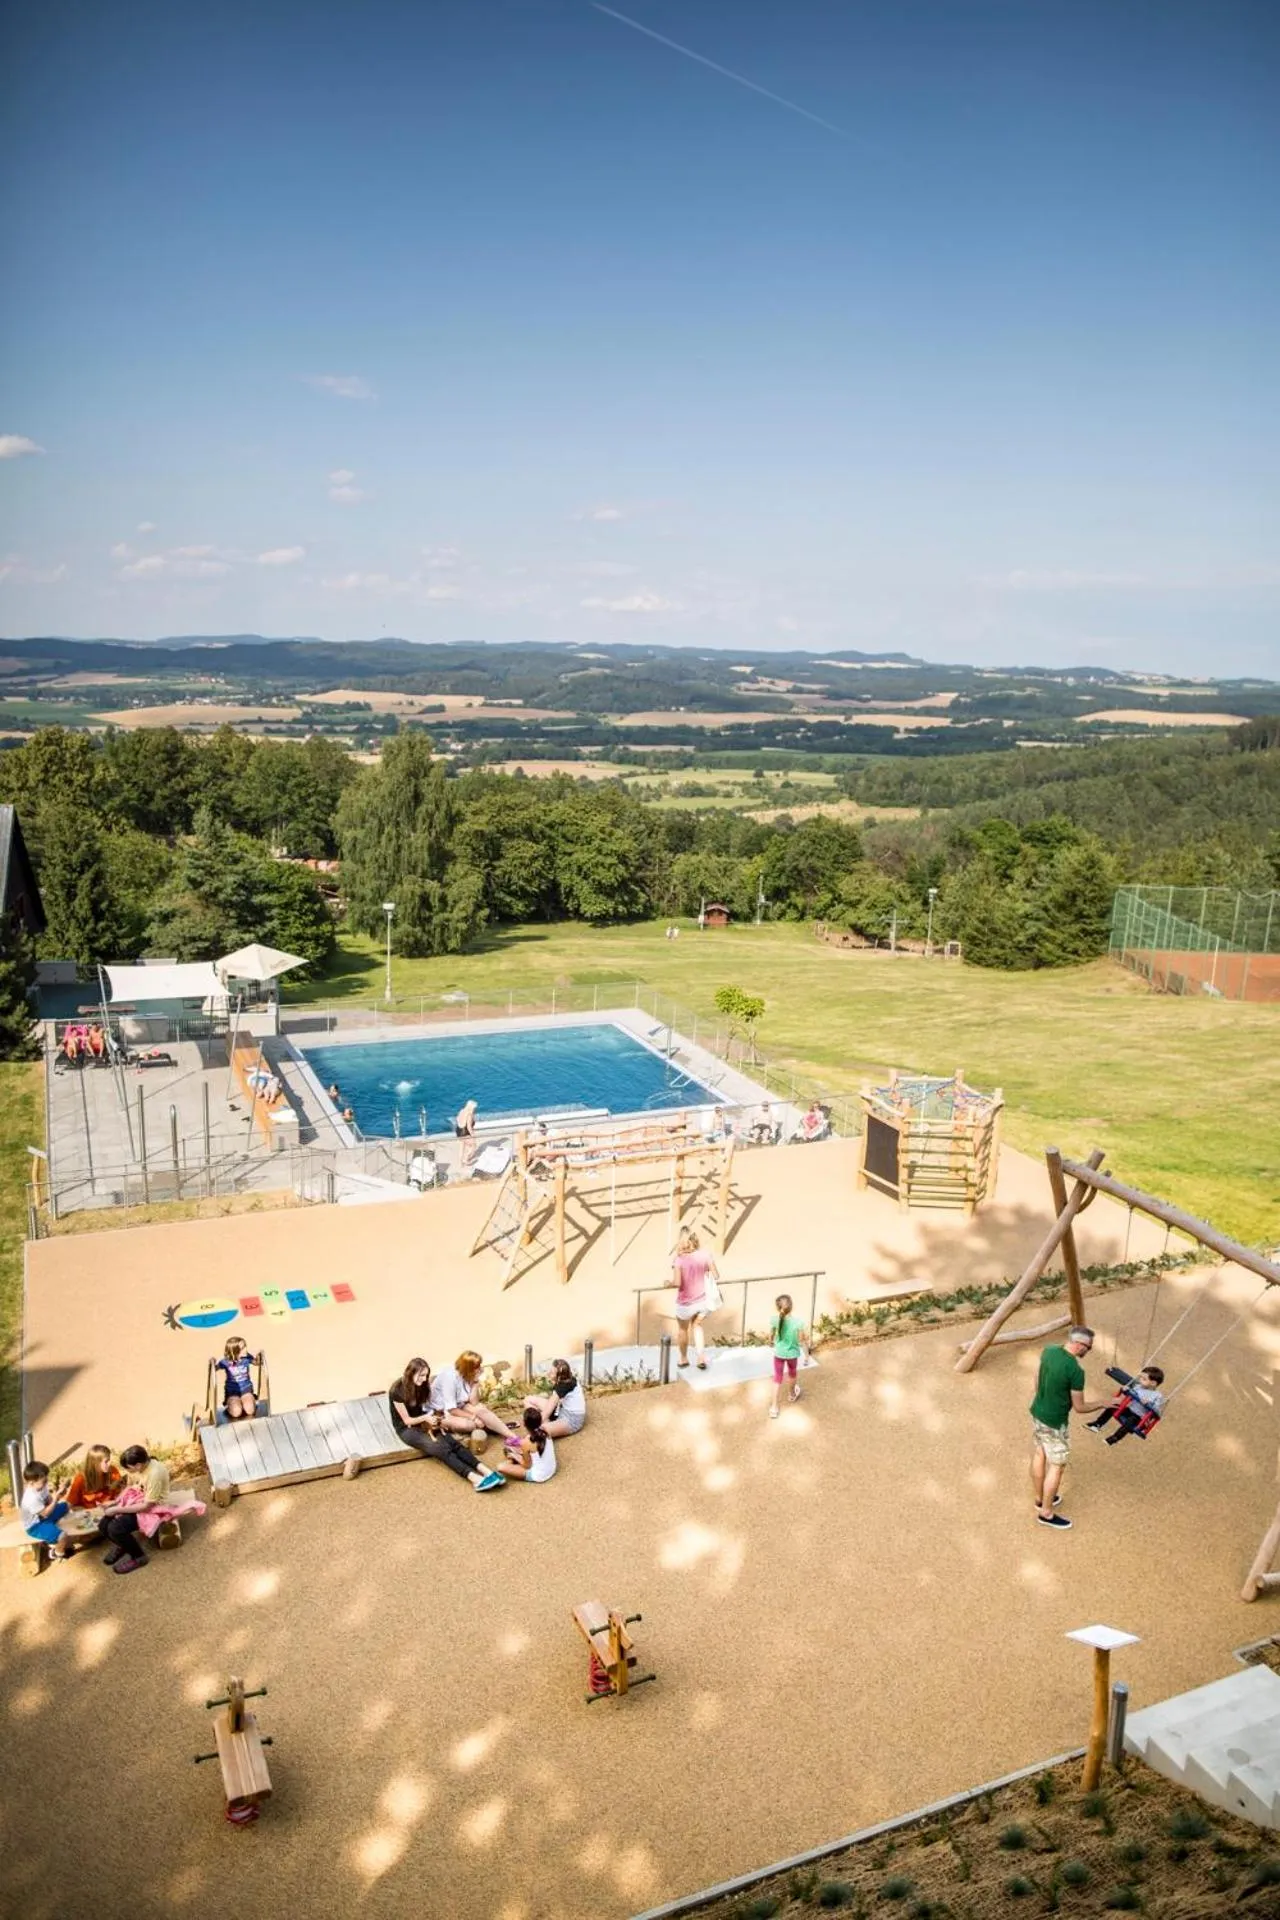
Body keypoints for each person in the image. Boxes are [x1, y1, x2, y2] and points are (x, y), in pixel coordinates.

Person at [1029, 1327, 1108, 1530]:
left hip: (1038, 1412)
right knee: (1057, 1466)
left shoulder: (1049, 1350)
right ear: (1080, 1344)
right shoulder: (1075, 1371)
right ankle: (1046, 1513)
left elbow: (1037, 1377)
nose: (1087, 1352)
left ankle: (1039, 1498)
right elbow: (1080, 1407)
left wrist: (1041, 1397)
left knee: (1040, 1453)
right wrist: (1104, 1402)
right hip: (1056, 1422)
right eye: (1088, 1348)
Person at [388, 1359, 504, 1492]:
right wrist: (426, 1418)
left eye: (426, 1375)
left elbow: (426, 1409)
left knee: (451, 1442)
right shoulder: (396, 1391)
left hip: (422, 1420)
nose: (424, 1379)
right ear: (410, 1373)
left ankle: (486, 1471)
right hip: (405, 1428)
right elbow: (407, 1421)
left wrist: (436, 1421)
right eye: (421, 1375)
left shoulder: (422, 1385)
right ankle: (474, 1479)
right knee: (440, 1448)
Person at [97, 1444, 203, 1573]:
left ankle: (139, 1557)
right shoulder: (139, 1467)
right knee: (103, 1525)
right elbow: (130, 1486)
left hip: (152, 1508)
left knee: (115, 1528)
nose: (128, 1471)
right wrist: (115, 1502)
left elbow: (147, 1506)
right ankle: (123, 1545)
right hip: (138, 1498)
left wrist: (117, 1510)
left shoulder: (154, 1474)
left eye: (129, 1469)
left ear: (138, 1465)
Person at [431, 1350, 518, 1449]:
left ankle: (512, 1436)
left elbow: (474, 1402)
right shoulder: (450, 1377)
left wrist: (476, 1381)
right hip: (441, 1412)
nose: (480, 1369)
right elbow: (452, 1409)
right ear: (467, 1368)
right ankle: (495, 1427)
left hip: (459, 1406)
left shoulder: (468, 1374)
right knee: (470, 1425)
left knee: (481, 1410)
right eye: (477, 1367)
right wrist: (474, 1418)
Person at [670, 1229, 721, 1371]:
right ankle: (700, 1357)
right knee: (697, 1325)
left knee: (682, 1329)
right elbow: (716, 1275)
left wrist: (667, 1283)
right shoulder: (706, 1255)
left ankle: (684, 1359)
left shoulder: (679, 1259)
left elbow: (677, 1283)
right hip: (703, 1301)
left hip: (685, 1303)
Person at [1087, 1365, 1166, 1444]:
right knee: (1113, 1406)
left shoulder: (1157, 1396)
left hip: (1140, 1419)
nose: (1140, 1380)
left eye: (1144, 1379)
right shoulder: (1138, 1387)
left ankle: (1115, 1438)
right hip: (1130, 1410)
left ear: (1153, 1383)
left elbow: (1158, 1411)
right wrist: (1126, 1389)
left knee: (1131, 1420)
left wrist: (1149, 1404)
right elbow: (1131, 1392)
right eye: (1141, 1377)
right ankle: (1097, 1424)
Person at [20, 1461, 73, 1564]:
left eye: (46, 1479)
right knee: (63, 1536)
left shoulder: (40, 1486)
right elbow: (46, 1513)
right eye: (43, 1481)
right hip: (35, 1526)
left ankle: (53, 1539)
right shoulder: (31, 1498)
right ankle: (56, 1553)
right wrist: (55, 1499)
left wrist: (59, 1493)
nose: (46, 1483)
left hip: (43, 1515)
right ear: (31, 1483)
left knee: (67, 1505)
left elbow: (49, 1501)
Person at [525, 1359, 587, 1439]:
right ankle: (548, 1424)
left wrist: (531, 1428)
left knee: (539, 1430)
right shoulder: (568, 1377)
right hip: (561, 1409)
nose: (548, 1374)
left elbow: (546, 1413)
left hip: (571, 1419)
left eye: (552, 1373)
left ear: (559, 1377)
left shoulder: (562, 1387)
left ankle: (544, 1429)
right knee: (528, 1400)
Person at [768, 1294, 807, 1419]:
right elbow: (801, 1340)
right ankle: (791, 1394)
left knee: (777, 1378)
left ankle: (774, 1407)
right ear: (791, 1306)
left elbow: (771, 1336)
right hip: (792, 1354)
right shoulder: (798, 1322)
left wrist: (771, 1341)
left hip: (779, 1353)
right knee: (792, 1374)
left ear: (777, 1308)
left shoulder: (774, 1319)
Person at [496, 1406, 558, 1483]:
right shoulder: (546, 1430)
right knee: (514, 1450)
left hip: (539, 1475)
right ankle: (512, 1457)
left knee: (501, 1467)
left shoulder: (526, 1442)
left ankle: (511, 1460)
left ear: (524, 1423)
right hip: (552, 1468)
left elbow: (527, 1466)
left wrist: (516, 1457)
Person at [215, 1337, 261, 1421]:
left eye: (245, 1346)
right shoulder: (226, 1362)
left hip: (246, 1389)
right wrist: (212, 1363)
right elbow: (215, 1368)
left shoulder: (247, 1357)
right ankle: (231, 1407)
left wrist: (259, 1357)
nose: (246, 1349)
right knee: (236, 1412)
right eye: (243, 1347)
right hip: (232, 1392)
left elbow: (257, 1363)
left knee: (250, 1411)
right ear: (235, 1351)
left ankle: (246, 1403)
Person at [66, 1444, 123, 1513]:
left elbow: (122, 1494)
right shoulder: (81, 1478)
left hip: (110, 1510)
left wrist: (114, 1503)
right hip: (88, 1513)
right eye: (106, 1461)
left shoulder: (113, 1471)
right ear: (95, 1463)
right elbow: (71, 1504)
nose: (109, 1463)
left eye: (109, 1460)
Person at [455, 1099, 478, 1166]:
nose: (474, 1110)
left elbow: (457, 1119)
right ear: (471, 1107)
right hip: (465, 1132)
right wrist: (473, 1136)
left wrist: (461, 1124)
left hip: (459, 1130)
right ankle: (466, 1159)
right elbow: (469, 1127)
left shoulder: (462, 1110)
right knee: (473, 1145)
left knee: (462, 1147)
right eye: (474, 1108)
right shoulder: (469, 1115)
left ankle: (460, 1163)